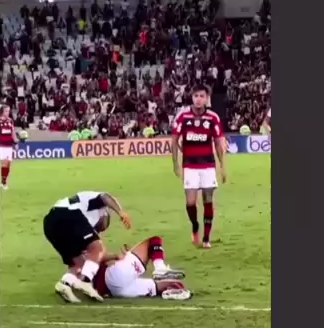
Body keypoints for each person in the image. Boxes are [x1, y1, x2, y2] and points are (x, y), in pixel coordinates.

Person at [44, 191, 132, 302]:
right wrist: (121, 212)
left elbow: (95, 257)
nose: (100, 229)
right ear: (105, 215)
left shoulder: (85, 226)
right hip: (66, 213)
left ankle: (64, 284)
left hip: (50, 225)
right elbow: (105, 196)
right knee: (97, 247)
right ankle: (86, 282)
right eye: (103, 226)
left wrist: (116, 256)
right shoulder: (99, 208)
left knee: (79, 262)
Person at [57, 234, 190, 303]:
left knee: (170, 284)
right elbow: (97, 259)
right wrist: (116, 256)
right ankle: (160, 268)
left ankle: (172, 292)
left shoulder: (74, 268)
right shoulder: (85, 252)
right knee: (154, 241)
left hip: (118, 291)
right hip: (115, 278)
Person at [172, 85, 227, 249]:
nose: (198, 99)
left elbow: (218, 143)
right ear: (192, 97)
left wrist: (223, 166)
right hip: (190, 166)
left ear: (207, 98)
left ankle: (206, 238)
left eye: (202, 96)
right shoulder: (183, 117)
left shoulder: (213, 118)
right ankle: (195, 225)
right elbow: (174, 140)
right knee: (190, 202)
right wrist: (175, 164)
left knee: (208, 200)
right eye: (196, 96)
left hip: (208, 166)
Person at [0, 105, 18, 190]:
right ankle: (4, 182)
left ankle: (3, 180)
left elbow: (13, 132)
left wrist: (15, 142)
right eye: (6, 111)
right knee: (4, 163)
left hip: (9, 145)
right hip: (2, 145)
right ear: (2, 111)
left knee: (9, 164)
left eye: (8, 111)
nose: (8, 112)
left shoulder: (10, 120)